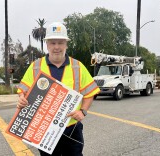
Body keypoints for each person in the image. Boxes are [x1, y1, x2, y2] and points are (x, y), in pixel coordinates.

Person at [17, 22, 100, 156]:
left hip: (71, 128)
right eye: (52, 43)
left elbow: (90, 93)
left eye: (60, 43)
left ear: (66, 44)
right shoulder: (35, 66)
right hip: (44, 129)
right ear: (47, 44)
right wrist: (22, 100)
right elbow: (23, 92)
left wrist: (83, 111)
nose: (56, 47)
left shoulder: (77, 66)